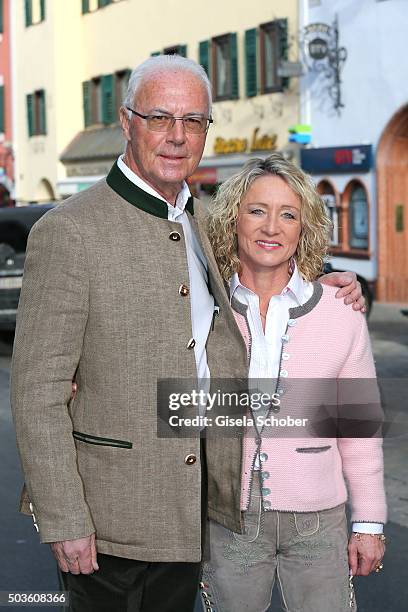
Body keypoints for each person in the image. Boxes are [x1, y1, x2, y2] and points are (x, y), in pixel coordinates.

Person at [11, 55, 364, 612]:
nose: (178, 137)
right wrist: (64, 517)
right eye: (160, 118)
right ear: (127, 122)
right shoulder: (69, 232)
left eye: (194, 120)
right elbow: (37, 393)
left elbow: (262, 266)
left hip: (193, 510)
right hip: (108, 521)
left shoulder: (203, 224)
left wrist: (327, 281)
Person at [202, 153, 387, 612]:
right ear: (233, 219)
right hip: (229, 517)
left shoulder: (340, 310)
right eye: (257, 210)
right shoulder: (204, 306)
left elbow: (359, 431)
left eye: (288, 214)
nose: (272, 227)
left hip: (318, 523)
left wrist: (369, 523)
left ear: (303, 227)